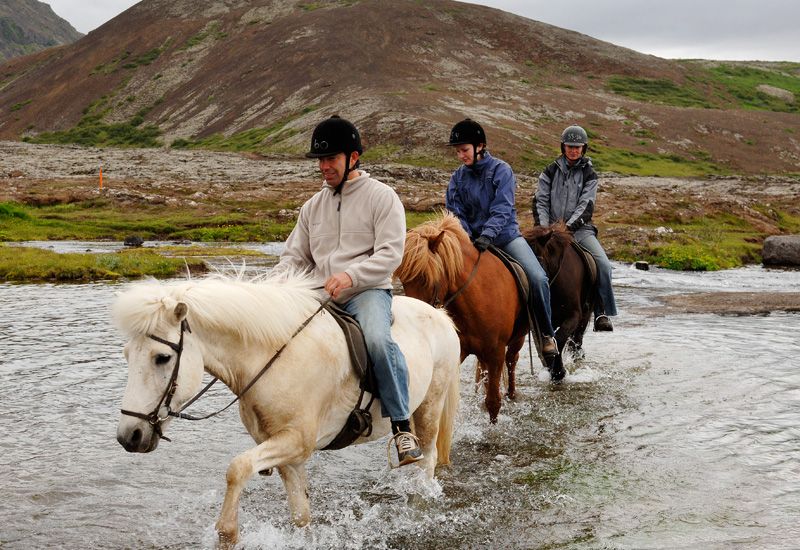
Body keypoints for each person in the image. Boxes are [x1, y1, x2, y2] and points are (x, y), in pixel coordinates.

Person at [274, 115, 422, 466]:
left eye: (331, 159)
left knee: (376, 340)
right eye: (321, 161)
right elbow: (295, 257)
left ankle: (402, 427)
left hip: (367, 291)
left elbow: (390, 254)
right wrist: (271, 287)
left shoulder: (382, 197)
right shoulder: (312, 207)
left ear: (353, 157)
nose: (324, 167)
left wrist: (350, 276)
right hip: (320, 293)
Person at [445, 118, 558, 356]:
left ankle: (547, 335)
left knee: (538, 277)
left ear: (480, 146)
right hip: (472, 242)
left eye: (464, 150)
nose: (461, 156)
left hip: (505, 238)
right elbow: (455, 211)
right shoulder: (457, 178)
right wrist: (467, 236)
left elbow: (503, 208)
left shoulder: (501, 170)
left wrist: (487, 234)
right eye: (458, 152)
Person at [534, 125, 617, 331]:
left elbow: (586, 205)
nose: (574, 150)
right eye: (570, 146)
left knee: (604, 265)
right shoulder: (550, 170)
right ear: (563, 147)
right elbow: (540, 201)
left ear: (583, 149)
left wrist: (568, 228)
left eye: (578, 147)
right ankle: (527, 309)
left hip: (580, 232)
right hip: (550, 231)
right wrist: (545, 229)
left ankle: (601, 313)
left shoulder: (590, 174)